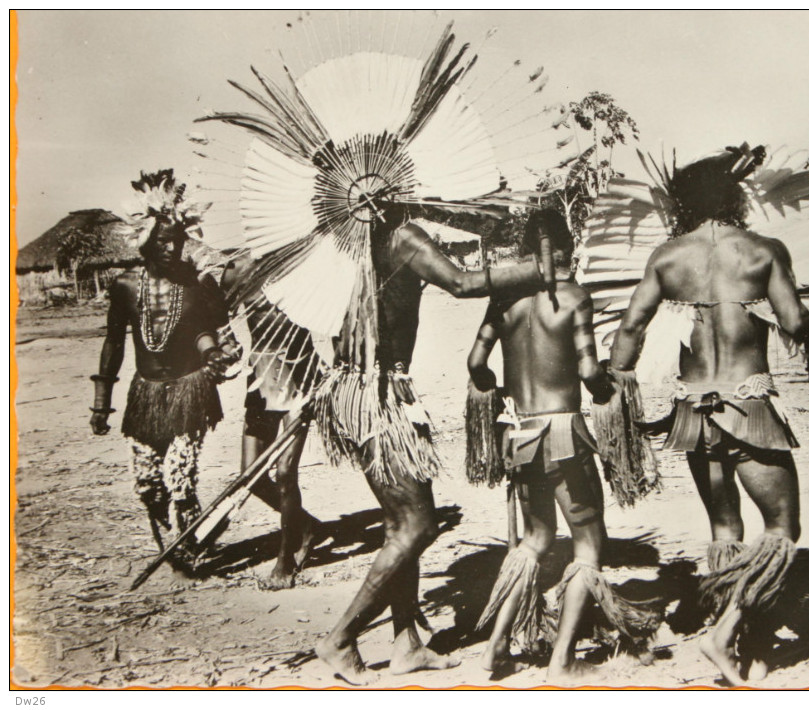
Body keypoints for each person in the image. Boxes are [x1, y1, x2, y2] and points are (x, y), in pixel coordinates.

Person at [607, 148, 809, 685]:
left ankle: (746, 643)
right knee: (783, 528)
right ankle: (728, 634)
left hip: (692, 411)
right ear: (733, 197)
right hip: (749, 408)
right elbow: (795, 323)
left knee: (725, 528)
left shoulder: (667, 257)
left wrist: (618, 384)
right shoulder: (762, 251)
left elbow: (629, 331)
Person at [311, 207, 550, 685]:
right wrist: (536, 270)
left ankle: (407, 644)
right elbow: (461, 283)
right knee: (417, 525)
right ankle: (340, 638)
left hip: (359, 386)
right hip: (377, 392)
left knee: (401, 522)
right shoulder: (402, 236)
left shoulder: (353, 241)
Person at [467, 210, 660, 683]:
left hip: (518, 433)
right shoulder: (574, 297)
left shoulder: (504, 300)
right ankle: (562, 660)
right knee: (588, 543)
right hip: (562, 435)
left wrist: (500, 387)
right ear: (566, 248)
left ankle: (493, 653)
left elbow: (475, 362)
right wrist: (607, 391)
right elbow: (590, 369)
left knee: (533, 540)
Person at [90, 170, 237, 573]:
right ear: (145, 242)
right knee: (148, 483)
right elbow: (114, 342)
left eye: (176, 240)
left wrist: (214, 354)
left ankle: (188, 547)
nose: (170, 247)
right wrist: (102, 404)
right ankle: (168, 538)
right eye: (161, 241)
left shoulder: (197, 284)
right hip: (146, 393)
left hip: (190, 389)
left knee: (180, 476)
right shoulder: (124, 286)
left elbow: (207, 330)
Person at [219, 257, 324, 590]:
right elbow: (215, 315)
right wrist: (224, 344)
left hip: (301, 376)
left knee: (284, 473)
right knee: (249, 476)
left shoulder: (305, 267)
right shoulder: (236, 271)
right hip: (262, 376)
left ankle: (286, 555)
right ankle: (305, 526)